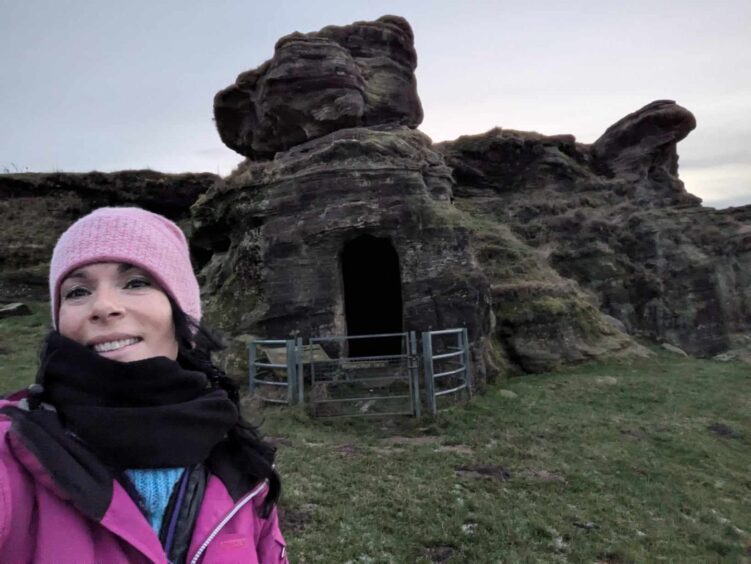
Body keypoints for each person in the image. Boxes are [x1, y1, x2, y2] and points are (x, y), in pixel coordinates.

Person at [0, 207, 287, 563]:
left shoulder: (243, 466)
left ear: (181, 313)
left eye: (136, 283)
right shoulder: (11, 455)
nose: (103, 306)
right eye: (76, 291)